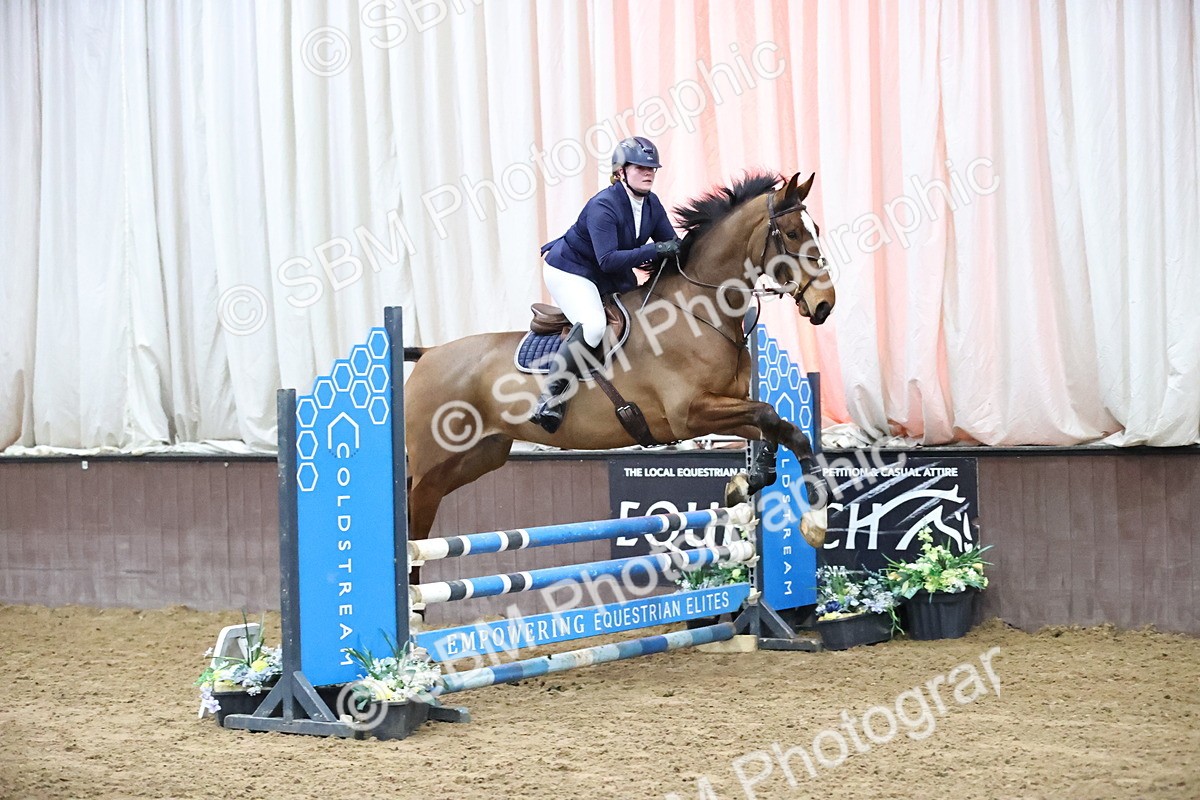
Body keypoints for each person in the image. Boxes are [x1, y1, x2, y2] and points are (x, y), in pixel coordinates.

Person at [530, 136, 680, 433]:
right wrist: (655, 251)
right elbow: (608, 259)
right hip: (572, 270)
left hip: (609, 273)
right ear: (621, 171)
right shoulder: (604, 205)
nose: (649, 172)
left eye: (652, 168)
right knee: (595, 326)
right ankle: (549, 396)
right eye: (640, 167)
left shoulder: (651, 204)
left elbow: (671, 243)